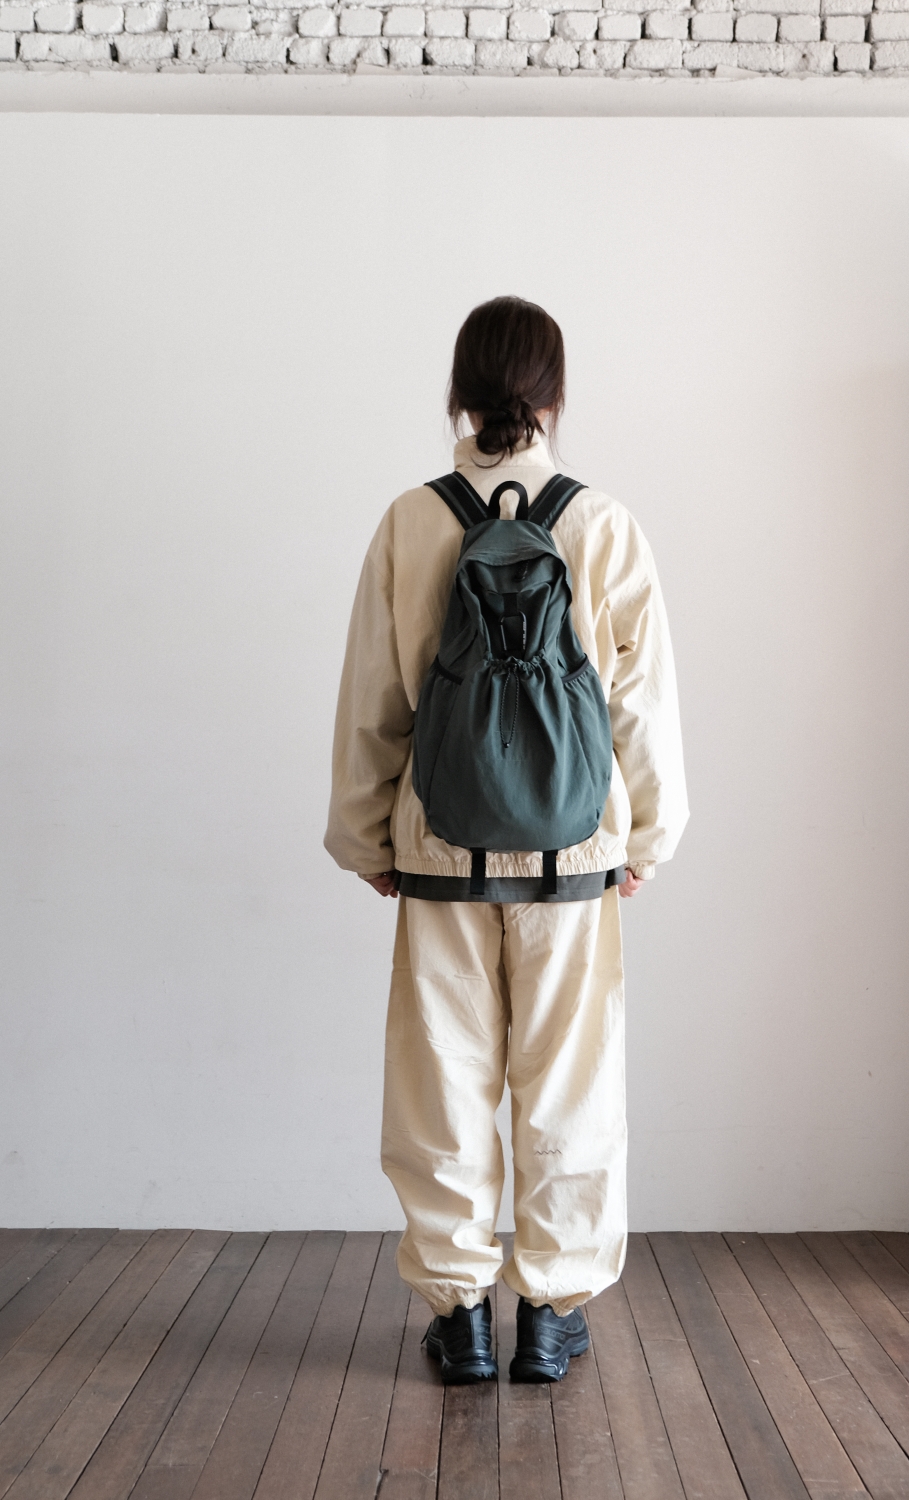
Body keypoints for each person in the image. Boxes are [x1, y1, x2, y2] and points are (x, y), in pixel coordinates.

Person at [325, 296, 688, 1384]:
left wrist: (365, 836)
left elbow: (375, 700)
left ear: (459, 389)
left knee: (441, 1085)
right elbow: (640, 707)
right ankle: (549, 1315)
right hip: (574, 861)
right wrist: (648, 839)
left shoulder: (411, 520)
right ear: (554, 394)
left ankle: (461, 1317)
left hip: (440, 853)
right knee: (569, 1084)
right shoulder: (602, 524)